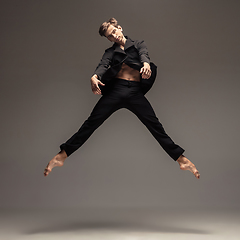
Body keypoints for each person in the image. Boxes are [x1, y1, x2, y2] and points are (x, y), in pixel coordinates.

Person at [44, 18, 200, 179]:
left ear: (120, 28)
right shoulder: (110, 52)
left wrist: (146, 64)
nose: (114, 36)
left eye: (114, 32)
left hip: (135, 93)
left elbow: (144, 54)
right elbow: (103, 65)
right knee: (90, 124)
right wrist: (94, 76)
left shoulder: (138, 44)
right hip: (115, 92)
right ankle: (61, 156)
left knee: (156, 126)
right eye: (110, 36)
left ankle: (182, 160)